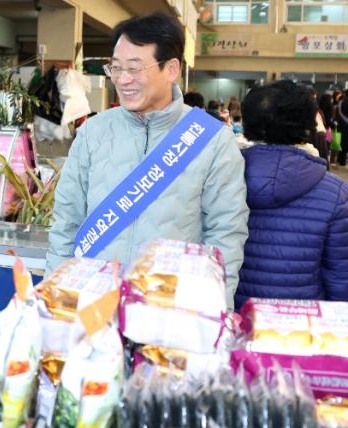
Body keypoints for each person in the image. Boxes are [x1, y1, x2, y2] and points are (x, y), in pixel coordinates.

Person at [46, 13, 249, 309]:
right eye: (116, 68)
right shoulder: (93, 132)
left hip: (168, 310)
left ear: (171, 69)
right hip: (94, 305)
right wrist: (56, 299)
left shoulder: (212, 139)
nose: (122, 79)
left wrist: (212, 313)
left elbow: (225, 235)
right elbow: (66, 222)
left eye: (134, 68)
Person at [235, 80, 348, 308]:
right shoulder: (336, 193)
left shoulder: (220, 180)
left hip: (230, 318)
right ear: (308, 124)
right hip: (302, 322)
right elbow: (340, 278)